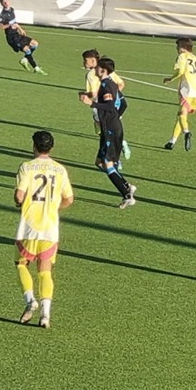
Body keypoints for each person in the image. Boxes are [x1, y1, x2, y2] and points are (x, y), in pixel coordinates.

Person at [14, 130, 75, 328]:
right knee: (45, 270)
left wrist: (19, 202)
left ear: (34, 146)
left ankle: (30, 300)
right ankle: (45, 315)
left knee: (21, 264)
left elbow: (19, 196)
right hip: (50, 227)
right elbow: (69, 199)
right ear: (52, 147)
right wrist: (54, 207)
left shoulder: (27, 167)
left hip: (29, 225)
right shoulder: (60, 170)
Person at [80, 57, 137, 208]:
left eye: (97, 67)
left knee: (108, 163)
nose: (95, 70)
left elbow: (110, 106)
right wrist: (115, 118)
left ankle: (127, 195)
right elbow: (123, 104)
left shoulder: (106, 86)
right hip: (110, 127)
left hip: (111, 128)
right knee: (99, 162)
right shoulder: (112, 84)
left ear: (103, 70)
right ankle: (126, 186)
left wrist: (91, 103)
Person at [81, 49, 130, 160]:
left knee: (104, 132)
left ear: (93, 60)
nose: (84, 63)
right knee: (108, 130)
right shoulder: (107, 70)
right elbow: (121, 84)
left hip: (100, 106)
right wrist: (114, 96)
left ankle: (116, 151)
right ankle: (115, 156)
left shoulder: (91, 74)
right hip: (115, 106)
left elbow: (94, 94)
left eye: (85, 60)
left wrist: (85, 95)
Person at [162, 37, 196, 151]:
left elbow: (180, 71)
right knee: (182, 115)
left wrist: (170, 79)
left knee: (181, 115)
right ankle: (172, 142)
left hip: (187, 90)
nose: (177, 48)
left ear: (183, 47)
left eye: (178, 46)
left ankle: (187, 132)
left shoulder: (182, 56)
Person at [0, 0, 47, 74]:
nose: (6, 3)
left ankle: (25, 59)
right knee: (27, 49)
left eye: (7, 1)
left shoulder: (12, 10)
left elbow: (15, 23)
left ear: (9, 1)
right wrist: (9, 25)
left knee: (35, 44)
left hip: (17, 34)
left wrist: (20, 29)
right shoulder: (3, 15)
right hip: (12, 38)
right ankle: (36, 67)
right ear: (2, 4)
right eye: (4, 3)